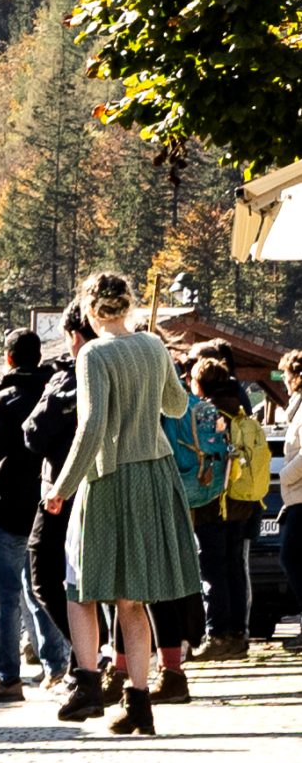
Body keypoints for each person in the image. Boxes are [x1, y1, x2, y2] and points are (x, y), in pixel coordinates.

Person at [44, 272, 201, 735]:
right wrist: (157, 372)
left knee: (81, 586)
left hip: (109, 476)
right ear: (128, 306)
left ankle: (88, 684)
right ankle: (139, 702)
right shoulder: (153, 346)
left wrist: (62, 487)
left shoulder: (93, 353)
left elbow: (91, 427)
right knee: (132, 599)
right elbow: (177, 407)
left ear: (91, 311)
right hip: (154, 471)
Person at [0, 330, 68, 703]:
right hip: (47, 505)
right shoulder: (53, 396)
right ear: (39, 357)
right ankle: (56, 667)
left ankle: (8, 677)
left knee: (5, 596)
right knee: (43, 589)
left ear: (9, 358)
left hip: (7, 509)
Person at [22, 300, 96, 642]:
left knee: (46, 576)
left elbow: (33, 434)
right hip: (111, 484)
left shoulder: (68, 378)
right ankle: (105, 655)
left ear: (74, 336)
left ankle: (88, 654)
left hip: (61, 494)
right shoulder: (127, 365)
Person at [185, 358, 253, 661]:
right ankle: (239, 634)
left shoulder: (205, 413)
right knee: (234, 566)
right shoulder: (241, 409)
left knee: (212, 569)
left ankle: (217, 634)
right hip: (240, 500)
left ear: (199, 384)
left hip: (212, 501)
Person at [277, 350, 302, 652]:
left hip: (299, 495)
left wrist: (284, 475)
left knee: (291, 557)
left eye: (285, 375)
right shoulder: (294, 409)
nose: (284, 381)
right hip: (296, 496)